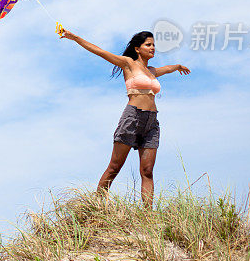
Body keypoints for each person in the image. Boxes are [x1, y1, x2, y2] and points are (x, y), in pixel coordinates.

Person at [59, 29, 190, 208]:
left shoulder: (151, 71)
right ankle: (96, 207)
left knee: (147, 171)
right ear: (137, 49)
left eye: (154, 45)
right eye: (148, 45)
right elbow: (100, 51)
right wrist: (73, 37)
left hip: (151, 122)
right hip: (133, 117)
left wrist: (178, 66)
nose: (153, 48)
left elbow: (166, 69)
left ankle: (148, 216)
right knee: (114, 167)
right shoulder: (128, 64)